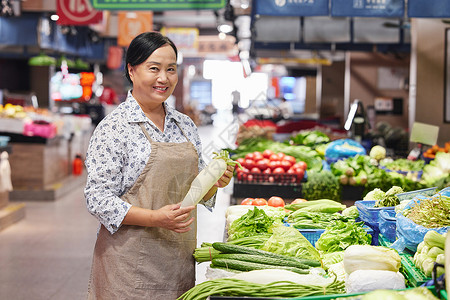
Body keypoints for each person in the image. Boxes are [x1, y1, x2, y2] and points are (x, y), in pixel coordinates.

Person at [84, 32, 235, 299]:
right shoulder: (114, 127)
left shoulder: (184, 125)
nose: (163, 78)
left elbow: (195, 190)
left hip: (177, 259)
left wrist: (215, 183)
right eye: (154, 68)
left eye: (171, 69)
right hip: (128, 264)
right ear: (132, 70)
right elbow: (97, 198)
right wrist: (156, 218)